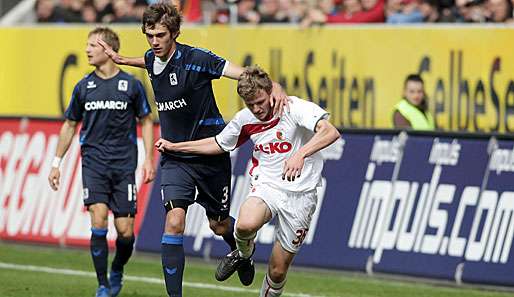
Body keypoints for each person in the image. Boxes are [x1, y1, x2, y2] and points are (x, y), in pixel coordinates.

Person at [97, 3, 288, 296]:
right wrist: (120, 58)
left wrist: (272, 85)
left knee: (219, 224)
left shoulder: (197, 59)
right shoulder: (152, 58)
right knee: (174, 222)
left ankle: (243, 253)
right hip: (174, 157)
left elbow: (239, 73)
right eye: (149, 35)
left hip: (210, 155)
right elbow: (146, 60)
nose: (154, 41)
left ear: (174, 33)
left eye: (160, 35)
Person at [155, 65, 340, 297]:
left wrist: (300, 154)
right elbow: (217, 143)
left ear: (270, 91)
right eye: (250, 104)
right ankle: (243, 254)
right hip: (267, 186)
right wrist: (175, 146)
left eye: (260, 102)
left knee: (278, 270)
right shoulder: (245, 119)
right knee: (244, 225)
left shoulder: (294, 108)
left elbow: (330, 132)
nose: (257, 109)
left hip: (301, 195)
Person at [47, 27, 155, 297]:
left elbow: (146, 121)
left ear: (109, 50)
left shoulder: (131, 85)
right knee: (98, 220)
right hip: (94, 164)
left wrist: (149, 159)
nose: (87, 50)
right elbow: (70, 125)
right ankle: (103, 284)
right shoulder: (83, 86)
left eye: (93, 45)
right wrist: (56, 162)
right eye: (87, 45)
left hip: (123, 166)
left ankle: (117, 267)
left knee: (125, 232)